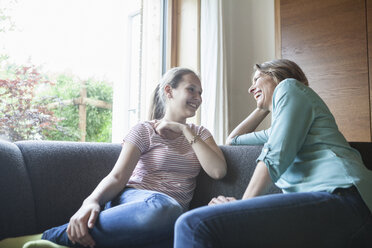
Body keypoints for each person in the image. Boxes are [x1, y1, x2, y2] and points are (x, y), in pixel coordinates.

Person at [174, 59, 372, 247]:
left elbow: (275, 155)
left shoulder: (290, 87)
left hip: (343, 197)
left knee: (194, 224)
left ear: (276, 75)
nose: (250, 89)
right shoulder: (277, 129)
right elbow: (233, 140)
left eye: (256, 79)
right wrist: (263, 107)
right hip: (323, 205)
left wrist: (241, 207)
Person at [39, 67, 227, 248]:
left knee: (191, 237)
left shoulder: (199, 134)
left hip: (170, 217)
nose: (198, 97)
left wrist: (184, 129)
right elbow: (117, 177)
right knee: (164, 207)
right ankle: (52, 237)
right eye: (191, 89)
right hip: (137, 202)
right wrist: (91, 201)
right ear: (169, 91)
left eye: (200, 93)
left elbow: (218, 171)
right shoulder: (144, 130)